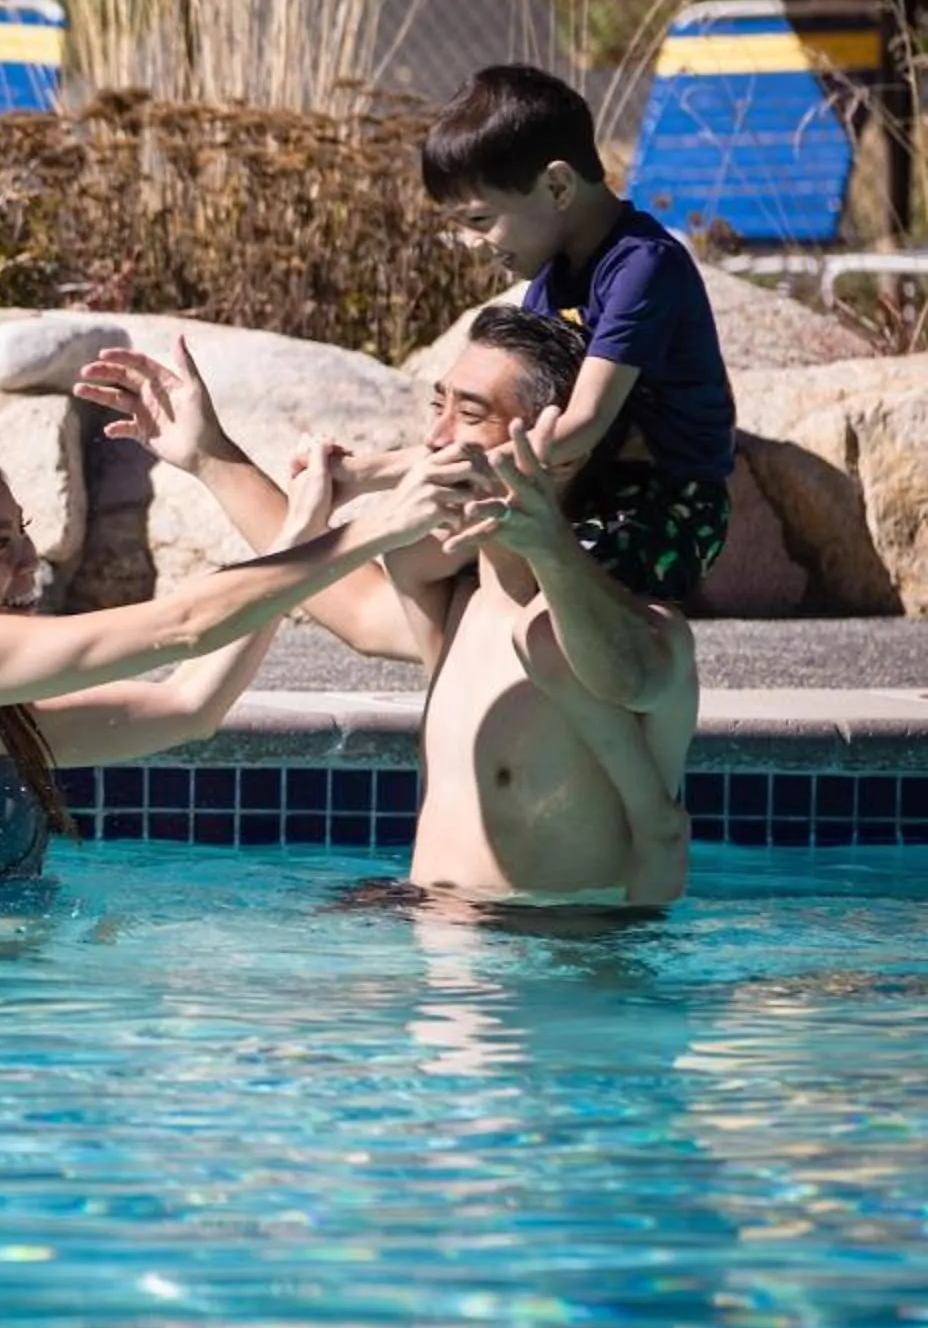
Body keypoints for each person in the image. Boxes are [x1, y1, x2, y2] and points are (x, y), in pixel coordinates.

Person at [76, 310, 701, 907]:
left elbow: (631, 673)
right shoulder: (460, 610)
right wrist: (211, 458)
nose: (434, 437)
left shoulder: (637, 634)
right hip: (441, 967)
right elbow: (319, 587)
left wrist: (552, 552)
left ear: (562, 448)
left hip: (550, 987)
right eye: (438, 406)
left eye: (470, 413)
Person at [0, 440, 471, 897]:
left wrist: (304, 532)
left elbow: (190, 708)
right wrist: (381, 527)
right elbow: (183, 626)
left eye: (22, 530)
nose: (30, 559)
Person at [342, 64, 736, 605]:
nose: (471, 244)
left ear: (556, 185)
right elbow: (526, 426)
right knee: (414, 555)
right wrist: (366, 475)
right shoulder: (550, 282)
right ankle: (454, 691)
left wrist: (385, 473)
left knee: (533, 588)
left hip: (666, 506)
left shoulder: (643, 268)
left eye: (480, 221)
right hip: (575, 485)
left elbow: (580, 426)